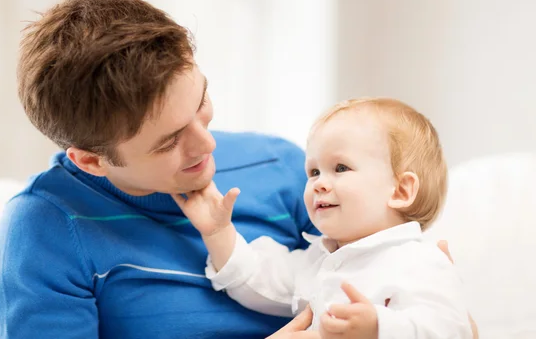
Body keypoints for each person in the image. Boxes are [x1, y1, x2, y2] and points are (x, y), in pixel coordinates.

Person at [0, 0, 476, 339]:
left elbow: (396, 283)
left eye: (201, 102)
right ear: (92, 160)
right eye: (169, 141)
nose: (206, 147)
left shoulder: (284, 165)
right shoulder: (43, 232)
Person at [173, 98, 474, 338]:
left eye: (340, 168)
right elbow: (255, 279)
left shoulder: (419, 260)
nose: (319, 183)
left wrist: (379, 328)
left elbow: (452, 329)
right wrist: (217, 232)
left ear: (401, 190)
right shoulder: (319, 260)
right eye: (313, 171)